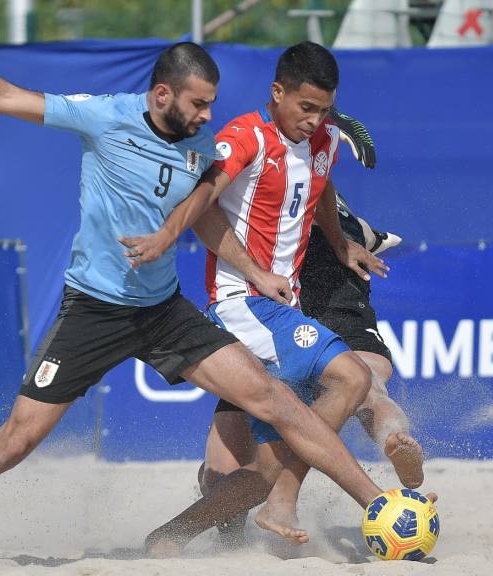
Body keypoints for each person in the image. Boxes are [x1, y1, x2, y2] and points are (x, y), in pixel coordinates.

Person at [0, 14, 388, 569]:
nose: (208, 116)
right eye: (199, 104)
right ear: (161, 94)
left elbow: (203, 219)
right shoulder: (105, 117)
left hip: (163, 311)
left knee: (273, 400)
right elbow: (4, 97)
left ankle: (381, 505)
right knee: (15, 440)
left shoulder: (200, 144)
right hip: (95, 311)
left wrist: (236, 263)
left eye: (211, 104)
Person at [120, 42, 411, 554]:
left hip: (278, 310)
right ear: (277, 93)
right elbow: (203, 207)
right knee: (352, 376)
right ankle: (300, 502)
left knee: (262, 468)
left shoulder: (323, 140)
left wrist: (341, 243)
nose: (314, 120)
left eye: (324, 109)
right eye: (305, 107)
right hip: (241, 304)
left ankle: (168, 538)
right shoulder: (245, 136)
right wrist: (253, 270)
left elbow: (319, 185)